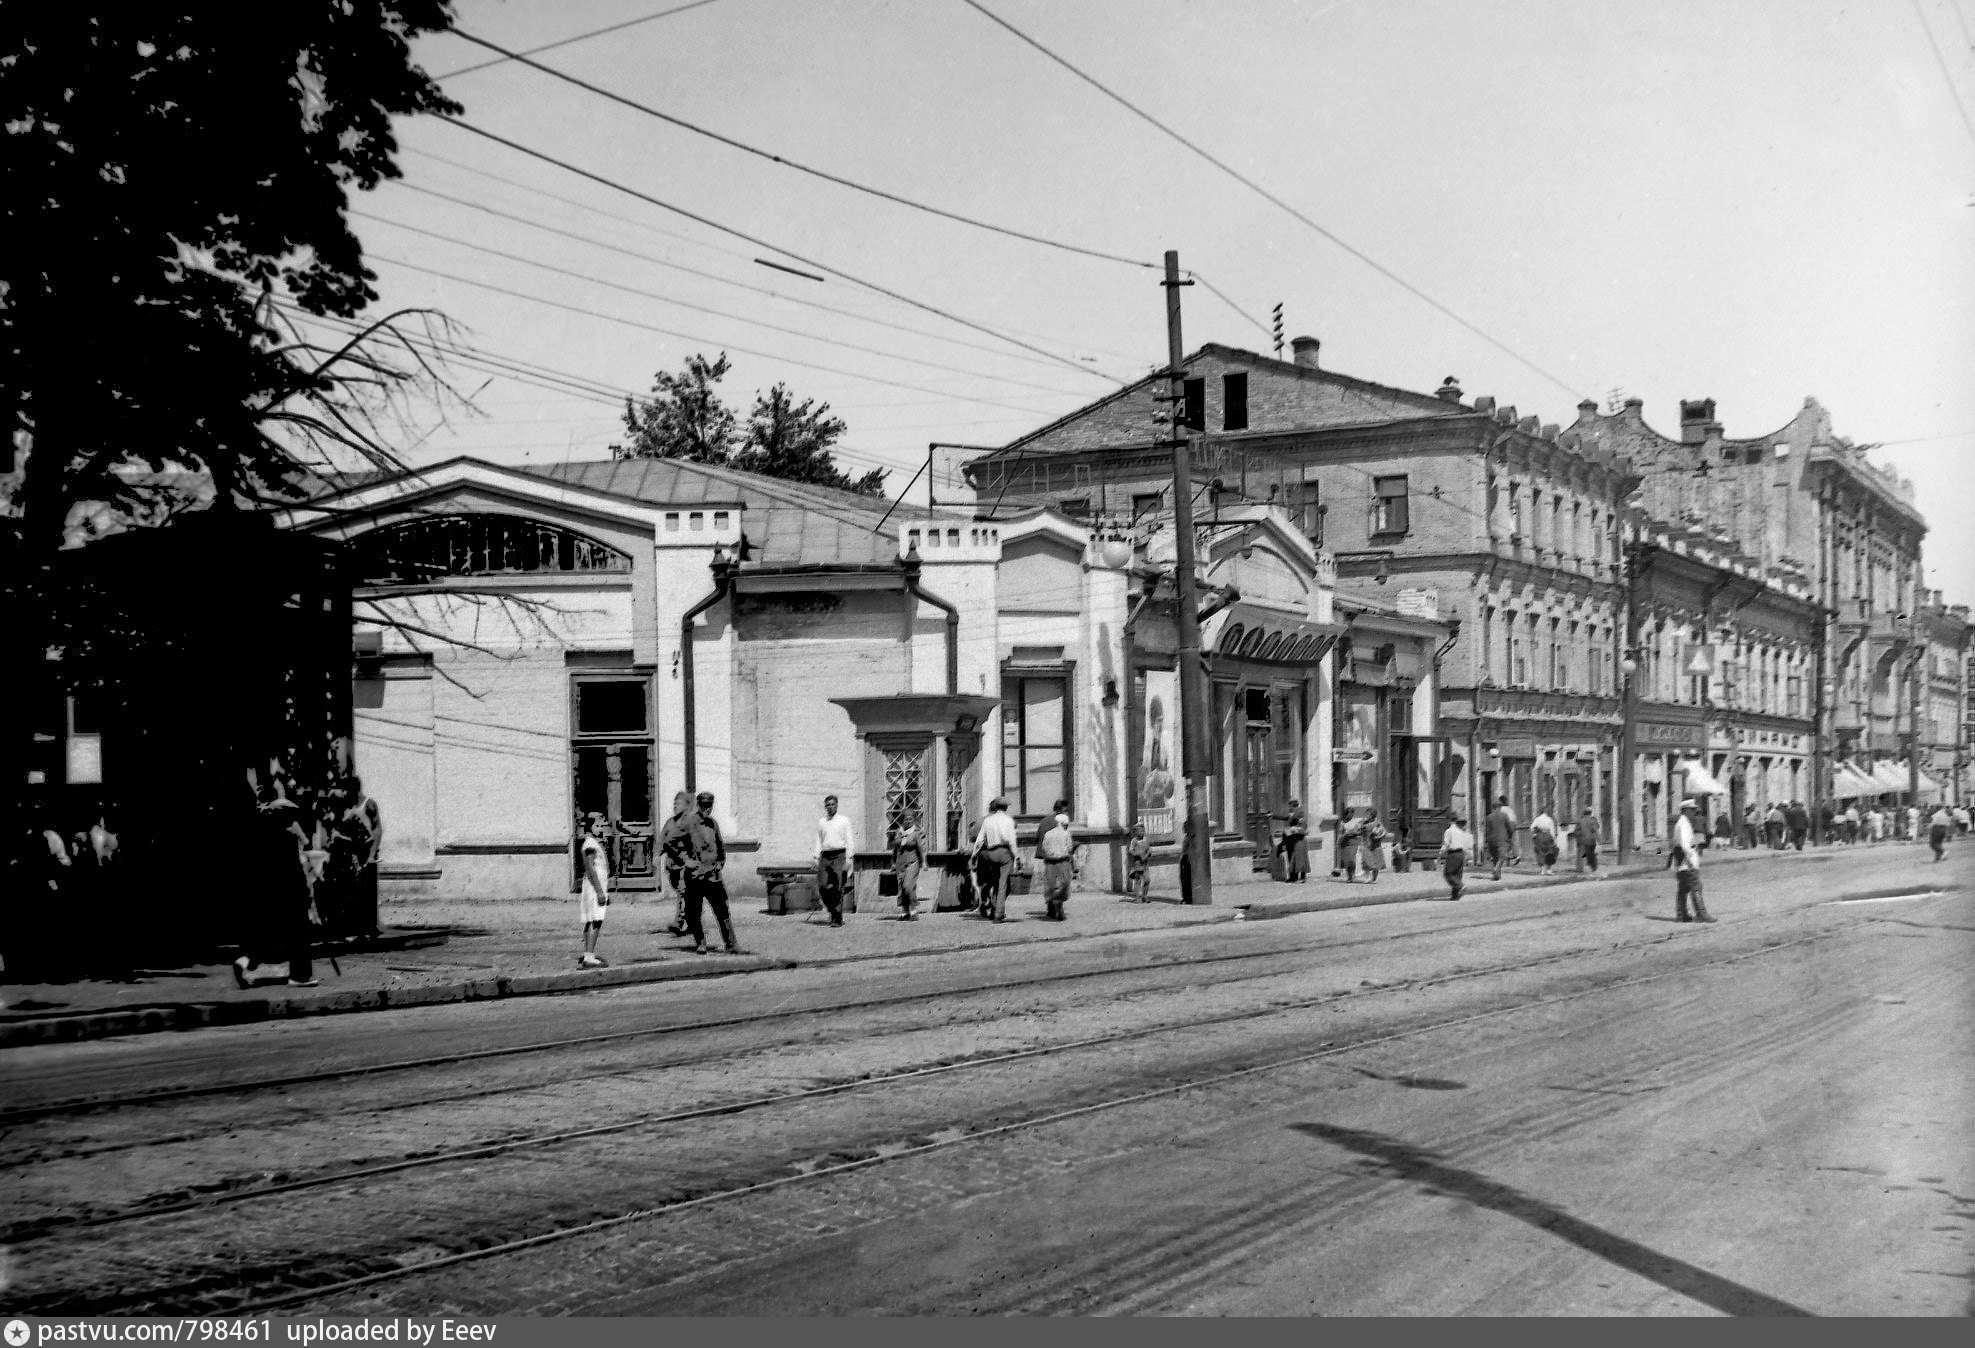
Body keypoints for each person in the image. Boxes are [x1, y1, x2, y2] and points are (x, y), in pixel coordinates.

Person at [233, 775, 317, 989]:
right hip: (292, 884)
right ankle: (299, 976)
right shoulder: (290, 828)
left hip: (270, 886)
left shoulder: (262, 826)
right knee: (299, 932)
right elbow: (305, 849)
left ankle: (246, 961)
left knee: (269, 931)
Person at [672, 791, 740, 955]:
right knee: (694, 913)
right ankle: (701, 943)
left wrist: (720, 864)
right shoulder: (687, 823)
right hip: (694, 877)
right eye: (704, 806)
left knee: (722, 912)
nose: (707, 809)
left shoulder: (713, 824)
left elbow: (720, 846)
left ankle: (731, 945)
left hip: (713, 876)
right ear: (698, 805)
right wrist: (686, 861)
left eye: (709, 806)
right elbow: (673, 843)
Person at [969, 797, 1019, 922]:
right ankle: (998, 913)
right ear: (1006, 808)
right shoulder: (1008, 820)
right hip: (1005, 852)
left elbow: (979, 840)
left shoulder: (988, 821)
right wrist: (1017, 856)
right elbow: (1012, 840)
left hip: (991, 853)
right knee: (1003, 884)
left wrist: (974, 855)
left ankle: (994, 907)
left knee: (995, 882)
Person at [813, 794, 855, 928]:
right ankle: (832, 910)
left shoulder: (844, 820)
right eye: (828, 805)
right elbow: (819, 840)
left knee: (837, 887)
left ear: (837, 805)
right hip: (825, 855)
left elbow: (849, 839)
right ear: (825, 807)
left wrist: (849, 858)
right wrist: (815, 856)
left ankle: (837, 918)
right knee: (823, 887)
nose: (830, 807)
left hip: (839, 855)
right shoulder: (822, 822)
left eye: (832, 804)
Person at [575, 812, 611, 968]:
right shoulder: (590, 843)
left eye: (601, 824)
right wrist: (600, 892)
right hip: (594, 887)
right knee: (595, 920)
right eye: (597, 825)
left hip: (595, 886)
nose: (600, 828)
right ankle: (589, 956)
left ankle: (588, 953)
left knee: (592, 919)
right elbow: (590, 868)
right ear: (591, 826)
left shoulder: (593, 842)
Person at [1669, 798, 1713, 923]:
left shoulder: (1682, 822)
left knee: (1683, 888)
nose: (1694, 813)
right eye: (1692, 810)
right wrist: (1690, 862)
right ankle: (1701, 913)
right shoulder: (1684, 824)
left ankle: (1681, 914)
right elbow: (1685, 845)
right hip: (1686, 860)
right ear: (1686, 810)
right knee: (1696, 886)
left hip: (1681, 860)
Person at [657, 791, 693, 937]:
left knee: (683, 894)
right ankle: (691, 922)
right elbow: (661, 841)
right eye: (674, 803)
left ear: (686, 805)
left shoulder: (690, 822)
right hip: (672, 865)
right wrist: (656, 856)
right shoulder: (670, 822)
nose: (674, 806)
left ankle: (679, 923)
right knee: (682, 893)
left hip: (685, 865)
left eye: (678, 804)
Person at [1037, 806, 1075, 921]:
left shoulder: (1048, 834)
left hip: (1049, 862)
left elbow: (1044, 847)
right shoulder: (1066, 833)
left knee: (1051, 884)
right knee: (1064, 883)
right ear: (1064, 823)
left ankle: (1051, 906)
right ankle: (1059, 904)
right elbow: (1069, 847)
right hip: (1062, 861)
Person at [892, 811, 926, 920]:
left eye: (910, 819)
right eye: (906, 819)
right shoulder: (898, 832)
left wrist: (924, 862)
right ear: (902, 820)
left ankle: (914, 910)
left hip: (912, 863)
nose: (908, 821)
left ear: (914, 820)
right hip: (900, 863)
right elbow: (895, 849)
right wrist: (893, 863)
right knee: (901, 887)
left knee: (908, 886)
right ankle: (905, 912)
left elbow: (921, 848)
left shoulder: (916, 832)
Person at [1439, 813, 1471, 901]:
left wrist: (1441, 853)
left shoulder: (1449, 831)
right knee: (1457, 874)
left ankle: (1461, 886)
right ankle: (1455, 895)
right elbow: (1465, 844)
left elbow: (1446, 844)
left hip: (1453, 853)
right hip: (1461, 853)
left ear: (1449, 820)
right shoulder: (1460, 831)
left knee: (1448, 874)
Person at [1483, 797, 1515, 881]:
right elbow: (1509, 827)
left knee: (1495, 857)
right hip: (1502, 839)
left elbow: (1487, 830)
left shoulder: (1489, 817)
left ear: (1493, 808)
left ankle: (1497, 876)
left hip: (1491, 840)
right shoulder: (1504, 816)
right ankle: (1496, 868)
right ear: (1499, 807)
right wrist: (1510, 835)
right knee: (1502, 856)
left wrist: (1486, 840)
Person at [1279, 799, 1310, 882]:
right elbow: (1285, 820)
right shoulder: (1291, 818)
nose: (1291, 810)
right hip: (1292, 841)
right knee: (1292, 860)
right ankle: (1293, 877)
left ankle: (1303, 877)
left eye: (1292, 807)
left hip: (1300, 841)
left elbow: (1304, 831)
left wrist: (1294, 830)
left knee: (1301, 859)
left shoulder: (1301, 818)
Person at [1359, 809, 1388, 883]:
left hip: (1376, 844)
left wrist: (1378, 837)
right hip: (1367, 844)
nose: (1366, 816)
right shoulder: (1364, 823)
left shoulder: (1377, 823)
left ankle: (1374, 879)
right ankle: (1367, 877)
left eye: (1367, 814)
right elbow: (1360, 831)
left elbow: (1384, 833)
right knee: (1366, 861)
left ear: (1372, 815)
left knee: (1376, 862)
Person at [1126, 823, 1153, 901]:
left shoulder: (1146, 840)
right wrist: (1138, 854)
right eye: (1140, 831)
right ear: (1135, 832)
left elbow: (1149, 849)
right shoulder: (1134, 841)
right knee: (1138, 880)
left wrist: (1148, 854)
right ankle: (1137, 897)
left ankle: (1145, 896)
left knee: (1147, 879)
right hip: (1138, 863)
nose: (1142, 832)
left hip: (1145, 863)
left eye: (1143, 830)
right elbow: (1131, 851)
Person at [1529, 807, 1559, 876]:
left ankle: (1543, 869)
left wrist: (1535, 833)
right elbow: (1552, 831)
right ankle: (1548, 869)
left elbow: (1532, 827)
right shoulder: (1549, 819)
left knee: (1540, 852)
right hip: (1548, 836)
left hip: (1539, 836)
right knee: (1549, 852)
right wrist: (1554, 840)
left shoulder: (1537, 819)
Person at [1574, 807, 1601, 874]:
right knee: (1591, 854)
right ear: (1590, 813)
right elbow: (1596, 830)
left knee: (1580, 854)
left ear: (1584, 813)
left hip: (1583, 840)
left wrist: (1578, 837)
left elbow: (1576, 832)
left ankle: (1579, 868)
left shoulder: (1580, 821)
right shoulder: (1593, 820)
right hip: (1591, 840)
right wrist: (1599, 839)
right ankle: (1594, 867)